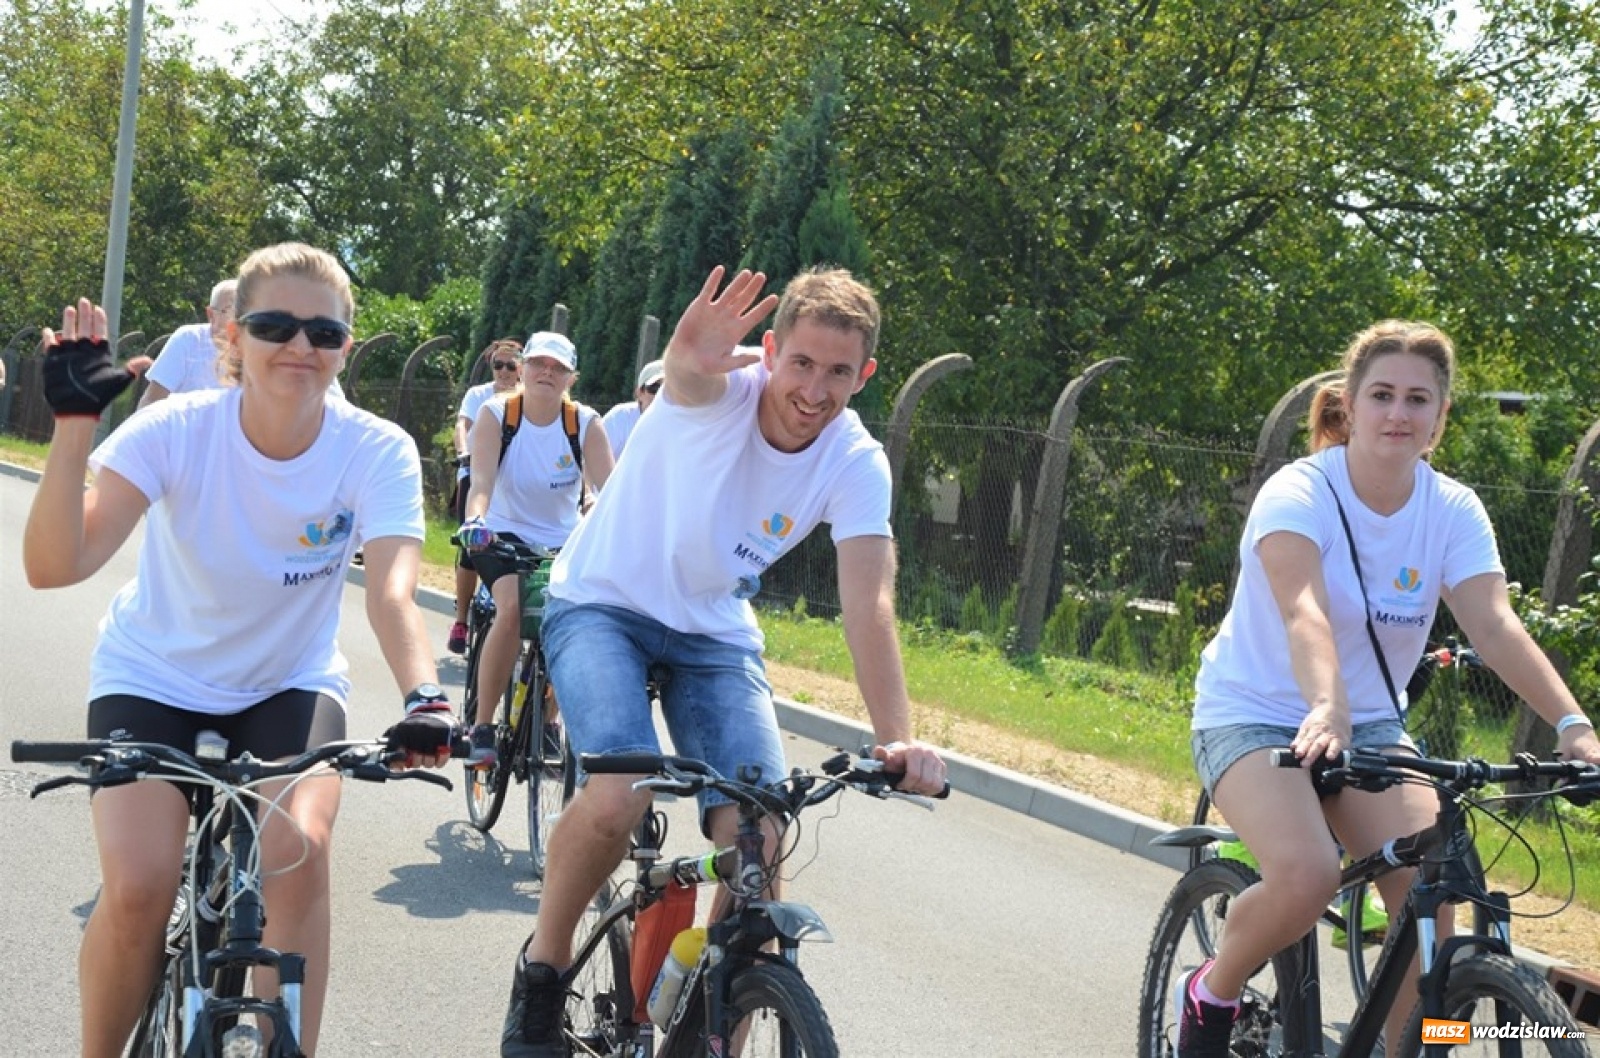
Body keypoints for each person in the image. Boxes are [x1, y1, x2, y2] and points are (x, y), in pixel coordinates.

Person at [497, 266, 948, 1058]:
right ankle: (541, 970)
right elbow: (688, 380)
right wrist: (683, 357)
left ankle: (716, 1036)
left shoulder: (854, 458)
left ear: (864, 376)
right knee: (615, 796)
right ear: (768, 350)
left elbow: (869, 599)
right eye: (800, 363)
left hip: (713, 634)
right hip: (604, 602)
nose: (814, 390)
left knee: (761, 837)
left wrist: (896, 738)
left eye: (838, 372)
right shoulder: (716, 388)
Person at [23, 242, 458, 1058]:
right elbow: (53, 566)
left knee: (298, 848)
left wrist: (424, 698)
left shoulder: (376, 448)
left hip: (287, 682)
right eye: (275, 325)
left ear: (347, 346)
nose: (301, 346)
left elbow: (394, 592)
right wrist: (74, 430)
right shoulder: (176, 428)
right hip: (154, 674)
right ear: (230, 336)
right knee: (141, 887)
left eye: (324, 333)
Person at [1177, 320, 1600, 1058]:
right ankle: (1213, 987)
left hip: (1369, 727)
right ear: (1351, 405)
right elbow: (1304, 609)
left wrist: (1573, 725)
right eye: (1382, 395)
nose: (1398, 414)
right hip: (1253, 716)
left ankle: (1409, 1046)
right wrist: (1327, 705)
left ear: (1439, 420)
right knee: (1307, 878)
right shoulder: (1300, 490)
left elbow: (1493, 627)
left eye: (1417, 399)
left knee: (1437, 902)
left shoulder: (1452, 510)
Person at [459, 331, 614, 768]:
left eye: (559, 367)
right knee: (509, 609)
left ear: (571, 378)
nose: (548, 372)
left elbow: (611, 492)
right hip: (500, 533)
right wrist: (475, 521)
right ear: (523, 367)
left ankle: (548, 720)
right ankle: (483, 726)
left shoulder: (583, 422)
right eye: (539, 363)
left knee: (572, 622)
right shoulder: (496, 413)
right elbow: (482, 484)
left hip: (564, 541)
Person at [445, 339, 526, 654]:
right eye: (498, 365)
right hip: (477, 474)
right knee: (471, 544)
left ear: (522, 367)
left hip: (513, 484)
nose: (504, 371)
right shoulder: (478, 395)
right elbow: (463, 426)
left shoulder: (529, 400)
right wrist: (465, 452)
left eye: (511, 365)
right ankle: (462, 621)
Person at [136, 278, 236, 407]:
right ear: (211, 315)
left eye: (244, 312)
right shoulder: (188, 340)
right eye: (230, 311)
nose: (237, 320)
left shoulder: (256, 348)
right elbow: (151, 401)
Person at [599, 358, 664, 459]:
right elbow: (595, 461)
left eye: (668, 389)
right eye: (655, 388)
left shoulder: (683, 425)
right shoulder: (619, 419)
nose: (661, 395)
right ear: (639, 393)